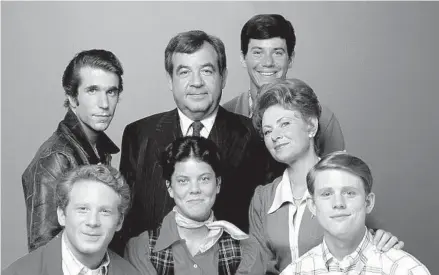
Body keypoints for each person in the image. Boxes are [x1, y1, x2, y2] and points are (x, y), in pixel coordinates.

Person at [116, 30, 271, 255]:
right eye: (184, 72)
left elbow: (266, 221)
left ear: (223, 76)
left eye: (206, 71)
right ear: (170, 80)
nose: (196, 82)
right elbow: (125, 221)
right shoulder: (139, 135)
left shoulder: (256, 136)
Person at [249, 79, 402, 274]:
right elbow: (257, 266)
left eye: (285, 123)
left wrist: (382, 241)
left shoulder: (345, 181)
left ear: (311, 126)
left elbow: (365, 247)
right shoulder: (263, 198)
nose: (275, 136)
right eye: (267, 131)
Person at [22, 49, 124, 252]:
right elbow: (43, 249)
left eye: (111, 92)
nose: (104, 104)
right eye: (92, 90)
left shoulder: (99, 150)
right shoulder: (56, 158)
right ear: (72, 98)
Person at [125, 136, 264, 275]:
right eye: (183, 181)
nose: (195, 189)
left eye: (204, 179)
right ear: (170, 188)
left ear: (218, 184)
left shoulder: (245, 250)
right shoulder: (141, 248)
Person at [280, 151, 431, 274]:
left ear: (368, 203)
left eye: (349, 193)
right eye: (326, 194)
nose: (338, 203)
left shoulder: (406, 270)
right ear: (312, 205)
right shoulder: (294, 272)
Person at [223, 14, 344, 156]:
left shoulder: (321, 118)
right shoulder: (225, 116)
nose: (267, 62)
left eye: (277, 53)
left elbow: (339, 174)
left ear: (290, 59)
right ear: (243, 58)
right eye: (257, 52)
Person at [4, 165, 139, 275]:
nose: (92, 222)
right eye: (82, 209)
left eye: (105, 211)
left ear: (119, 221)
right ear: (62, 215)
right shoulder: (18, 272)